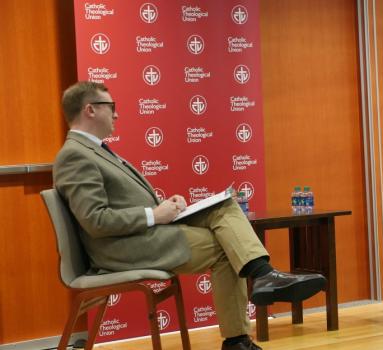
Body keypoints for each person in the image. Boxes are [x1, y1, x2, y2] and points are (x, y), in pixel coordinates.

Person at [54, 81, 326, 350]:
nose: (117, 113)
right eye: (111, 106)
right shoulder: (75, 155)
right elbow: (96, 220)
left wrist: (166, 206)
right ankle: (238, 340)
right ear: (90, 110)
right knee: (226, 249)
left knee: (224, 207)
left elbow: (121, 203)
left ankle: (264, 275)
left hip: (145, 233)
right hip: (124, 248)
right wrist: (154, 214)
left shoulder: (96, 150)